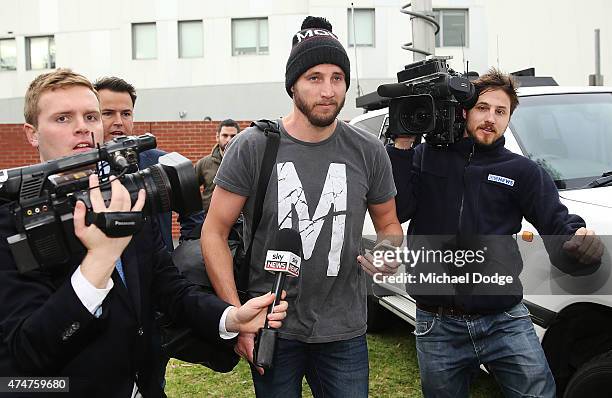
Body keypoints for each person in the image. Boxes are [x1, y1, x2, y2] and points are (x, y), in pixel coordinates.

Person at [0, 69, 288, 398]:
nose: (82, 126)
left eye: (90, 116)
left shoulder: (130, 198)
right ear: (32, 133)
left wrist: (231, 317)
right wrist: (101, 259)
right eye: (63, 118)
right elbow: (28, 351)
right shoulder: (10, 224)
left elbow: (171, 290)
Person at [201, 16, 402, 398]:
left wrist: (389, 253)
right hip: (272, 323)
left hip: (343, 332)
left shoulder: (368, 151)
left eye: (336, 78)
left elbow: (390, 225)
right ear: (292, 83)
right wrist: (239, 318)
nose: (327, 91)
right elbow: (214, 232)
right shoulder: (253, 145)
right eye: (314, 77)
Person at [374, 68, 604, 397]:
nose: (490, 119)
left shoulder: (522, 171)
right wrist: (403, 144)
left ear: (509, 118)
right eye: (483, 108)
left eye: (501, 112)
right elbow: (398, 210)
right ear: (465, 110)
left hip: (505, 321)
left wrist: (577, 241)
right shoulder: (426, 158)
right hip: (436, 323)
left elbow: (557, 223)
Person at [93, 76, 202, 252]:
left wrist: (183, 259)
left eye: (126, 114)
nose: (119, 121)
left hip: (161, 274)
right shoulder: (81, 170)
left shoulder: (161, 163)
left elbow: (195, 218)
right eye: (108, 113)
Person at [194, 119, 240, 213]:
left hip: (239, 222)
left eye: (233, 136)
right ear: (217, 137)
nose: (229, 140)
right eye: (225, 135)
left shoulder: (246, 163)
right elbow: (189, 190)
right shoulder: (204, 164)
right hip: (209, 220)